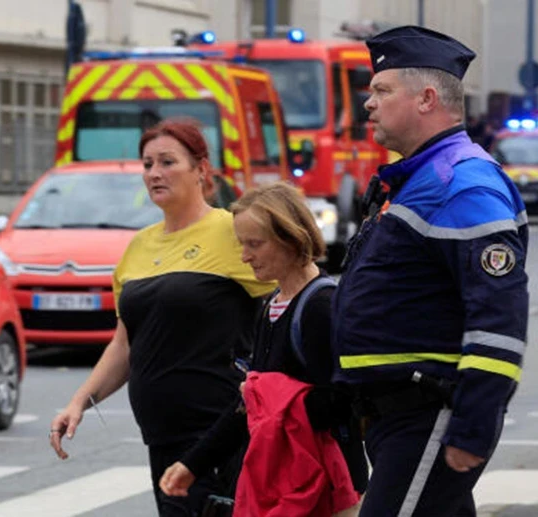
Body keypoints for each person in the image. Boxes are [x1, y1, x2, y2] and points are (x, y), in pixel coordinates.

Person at [332, 26, 529, 516]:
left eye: (381, 90)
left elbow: (498, 321)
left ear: (425, 98)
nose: (368, 104)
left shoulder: (460, 185)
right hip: (399, 418)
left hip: (428, 416)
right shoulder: (419, 179)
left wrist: (473, 426)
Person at [49, 119, 275, 516]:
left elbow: (290, 291)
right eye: (147, 164)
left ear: (201, 170)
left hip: (222, 433)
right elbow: (125, 344)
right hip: (162, 438)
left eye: (168, 162)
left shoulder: (231, 230)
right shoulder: (138, 247)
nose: (154, 173)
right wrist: (79, 402)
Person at [158, 182, 366, 516]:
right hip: (285, 487)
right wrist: (193, 464)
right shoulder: (271, 307)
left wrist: (272, 395)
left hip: (329, 490)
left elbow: (346, 400)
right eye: (242, 244)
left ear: (291, 239)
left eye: (255, 244)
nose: (245, 256)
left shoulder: (321, 307)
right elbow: (248, 406)